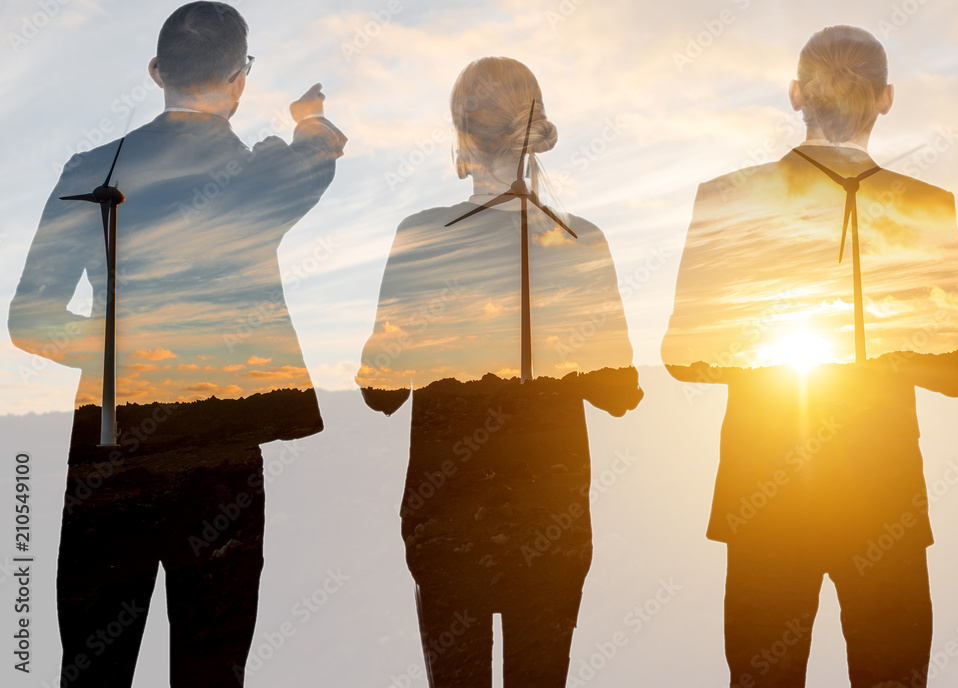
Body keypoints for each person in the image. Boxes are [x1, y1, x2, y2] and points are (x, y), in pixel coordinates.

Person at [7, 2, 347, 685]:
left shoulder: (89, 169)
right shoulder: (262, 176)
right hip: (219, 449)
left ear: (157, 70)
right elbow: (317, 152)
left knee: (91, 669)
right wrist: (306, 118)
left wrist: (122, 349)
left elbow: (30, 318)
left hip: (107, 447)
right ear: (240, 79)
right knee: (211, 670)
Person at [661, 25, 958, 688]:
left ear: (796, 94)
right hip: (885, 507)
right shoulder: (927, 208)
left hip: (764, 507)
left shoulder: (726, 199)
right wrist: (880, 354)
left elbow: (683, 356)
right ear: (886, 98)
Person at [357, 56, 642, 687]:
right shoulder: (578, 239)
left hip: (447, 519)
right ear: (536, 133)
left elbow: (380, 391)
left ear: (459, 134)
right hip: (552, 520)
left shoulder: (420, 236)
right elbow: (620, 393)